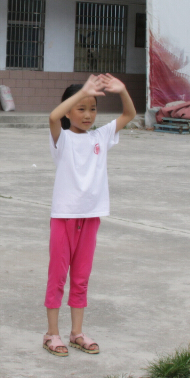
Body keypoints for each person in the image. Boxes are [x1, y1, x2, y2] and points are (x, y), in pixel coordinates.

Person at [41, 74, 136, 357]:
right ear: (68, 111)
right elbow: (52, 117)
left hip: (91, 217)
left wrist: (122, 90)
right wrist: (83, 91)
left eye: (92, 109)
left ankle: (76, 333)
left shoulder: (100, 136)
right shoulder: (62, 138)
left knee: (81, 277)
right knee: (58, 276)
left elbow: (129, 114)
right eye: (81, 108)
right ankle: (52, 333)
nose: (87, 115)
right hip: (64, 217)